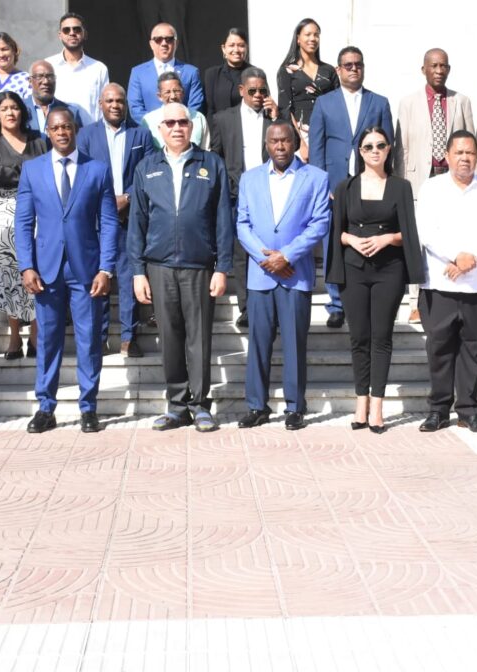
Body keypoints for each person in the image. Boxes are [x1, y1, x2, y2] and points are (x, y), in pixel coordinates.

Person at [128, 102, 233, 433]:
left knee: (198, 338)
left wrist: (222, 267)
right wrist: (138, 271)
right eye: (170, 123)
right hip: (159, 266)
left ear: (192, 127)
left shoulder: (211, 164)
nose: (177, 128)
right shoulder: (146, 167)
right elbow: (137, 223)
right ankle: (176, 406)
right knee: (170, 338)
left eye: (183, 122)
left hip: (199, 266)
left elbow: (223, 219)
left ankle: (200, 405)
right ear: (160, 129)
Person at [15, 108, 119, 434]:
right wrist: (26, 265)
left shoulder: (97, 169)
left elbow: (109, 222)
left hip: (86, 270)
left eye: (67, 127)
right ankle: (46, 408)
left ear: (75, 129)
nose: (62, 132)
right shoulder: (32, 170)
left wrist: (106, 268)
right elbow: (23, 222)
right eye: (56, 128)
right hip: (45, 270)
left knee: (89, 340)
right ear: (48, 131)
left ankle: (89, 408)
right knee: (47, 340)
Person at [327, 127, 424, 433]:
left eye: (380, 145)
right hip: (353, 269)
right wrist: (352, 240)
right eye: (368, 146)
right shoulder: (346, 187)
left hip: (389, 269)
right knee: (359, 337)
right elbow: (337, 231)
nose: (374, 151)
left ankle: (378, 407)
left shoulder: (400, 187)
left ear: (388, 149)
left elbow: (409, 232)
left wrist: (387, 239)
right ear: (360, 151)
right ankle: (361, 404)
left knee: (381, 336)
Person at [236, 120, 329, 430]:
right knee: (258, 344)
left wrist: (287, 255)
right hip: (261, 274)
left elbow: (319, 223)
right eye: (274, 141)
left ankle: (295, 407)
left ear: (295, 142)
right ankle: (257, 406)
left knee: (294, 344)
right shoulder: (249, 179)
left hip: (295, 273)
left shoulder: (316, 178)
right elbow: (242, 224)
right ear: (266, 145)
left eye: (285, 140)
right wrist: (266, 258)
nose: (280, 146)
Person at [415, 130, 477, 434]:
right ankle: (438, 410)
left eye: (470, 153)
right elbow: (426, 230)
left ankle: (468, 410)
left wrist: (472, 258)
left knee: (472, 350)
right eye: (459, 152)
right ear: (447, 156)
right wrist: (456, 256)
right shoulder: (432, 188)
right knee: (439, 350)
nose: (465, 158)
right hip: (440, 284)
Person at [309, 46, 393, 329]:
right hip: (335, 185)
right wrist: (322, 185)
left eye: (358, 64)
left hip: (369, 183)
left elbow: (388, 146)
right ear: (338, 70)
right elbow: (317, 147)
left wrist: (383, 182)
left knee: (367, 239)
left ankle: (364, 297)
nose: (354, 69)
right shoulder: (324, 103)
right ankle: (336, 304)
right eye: (348, 65)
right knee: (334, 242)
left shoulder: (378, 103)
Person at [394, 48, 476, 323]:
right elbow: (401, 147)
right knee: (417, 240)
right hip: (419, 178)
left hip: (452, 177)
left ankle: (453, 293)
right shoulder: (408, 103)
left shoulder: (461, 101)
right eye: (434, 66)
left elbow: (470, 145)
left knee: (453, 232)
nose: (439, 71)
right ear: (424, 69)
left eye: (443, 66)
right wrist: (401, 185)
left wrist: (472, 180)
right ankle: (415, 302)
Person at [77, 83, 156, 358]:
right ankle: (99, 338)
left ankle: (128, 338)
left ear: (126, 104)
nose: (115, 105)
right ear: (100, 104)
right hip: (96, 220)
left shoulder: (141, 134)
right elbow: (81, 173)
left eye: (119, 101)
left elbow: (148, 171)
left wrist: (128, 198)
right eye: (109, 101)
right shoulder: (86, 135)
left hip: (130, 217)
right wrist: (107, 201)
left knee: (128, 277)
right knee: (99, 278)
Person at [210, 67, 288, 328]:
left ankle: (274, 306)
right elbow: (216, 157)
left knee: (270, 247)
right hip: (236, 194)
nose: (258, 95)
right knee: (242, 253)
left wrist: (277, 118)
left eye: (262, 90)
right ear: (241, 90)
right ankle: (246, 308)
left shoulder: (274, 117)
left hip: (271, 193)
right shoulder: (223, 119)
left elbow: (293, 147)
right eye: (252, 90)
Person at [0, 91, 47, 361]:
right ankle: (15, 336)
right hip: (1, 212)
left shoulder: (38, 140)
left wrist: (11, 171)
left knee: (36, 268)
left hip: (37, 208)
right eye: (4, 108)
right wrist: (27, 171)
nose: (10, 113)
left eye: (15, 107)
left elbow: (46, 172)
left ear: (22, 111)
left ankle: (36, 336)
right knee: (7, 273)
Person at [276, 18, 337, 160]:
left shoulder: (329, 70)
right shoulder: (287, 70)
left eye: (316, 35)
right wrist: (301, 144)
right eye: (308, 34)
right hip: (301, 136)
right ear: (298, 39)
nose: (313, 38)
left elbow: (337, 104)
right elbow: (285, 109)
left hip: (328, 134)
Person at [127, 23, 204, 123]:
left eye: (169, 39)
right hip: (149, 130)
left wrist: (179, 125)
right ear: (151, 44)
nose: (164, 43)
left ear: (176, 43)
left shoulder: (191, 72)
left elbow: (195, 107)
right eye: (158, 39)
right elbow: (135, 108)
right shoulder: (138, 73)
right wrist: (157, 126)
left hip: (182, 129)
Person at [45, 12, 108, 125]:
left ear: (85, 34)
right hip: (57, 132)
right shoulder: (48, 65)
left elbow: (105, 106)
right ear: (60, 35)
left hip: (90, 133)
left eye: (77, 29)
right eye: (66, 30)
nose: (72, 33)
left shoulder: (99, 68)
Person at [141, 72, 210, 150]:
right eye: (167, 92)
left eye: (176, 91)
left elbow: (206, 149)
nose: (173, 96)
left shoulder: (198, 117)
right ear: (159, 96)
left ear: (183, 93)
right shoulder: (148, 120)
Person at [25, 60, 85, 139]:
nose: (46, 81)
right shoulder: (19, 109)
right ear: (30, 81)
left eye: (50, 77)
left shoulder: (70, 111)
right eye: (39, 76)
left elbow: (79, 142)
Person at [202, 28, 255, 118]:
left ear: (247, 48)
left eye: (241, 45)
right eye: (231, 45)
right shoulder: (212, 74)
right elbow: (209, 109)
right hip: (219, 125)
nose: (236, 50)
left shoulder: (255, 74)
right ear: (224, 49)